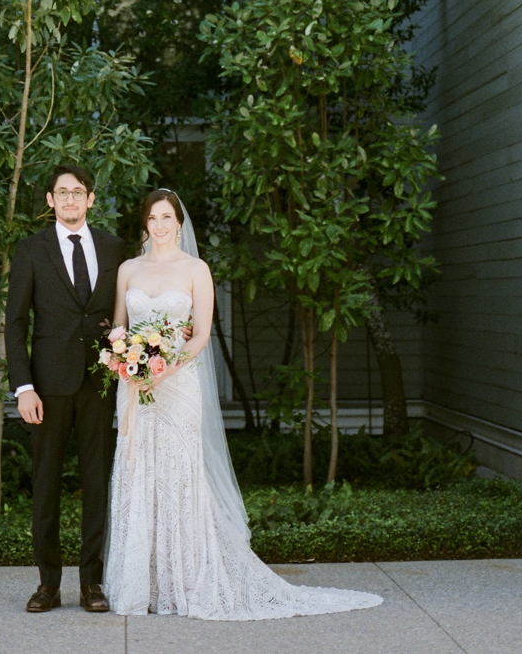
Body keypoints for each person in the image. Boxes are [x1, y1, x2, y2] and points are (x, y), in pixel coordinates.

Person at [103, 188, 384, 620]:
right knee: (138, 471)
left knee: (178, 475)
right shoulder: (127, 269)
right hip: (136, 389)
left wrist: (168, 366)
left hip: (178, 385)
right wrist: (124, 357)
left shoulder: (197, 269)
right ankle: (143, 583)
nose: (159, 225)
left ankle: (186, 582)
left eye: (166, 217)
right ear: (145, 223)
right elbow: (119, 327)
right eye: (152, 218)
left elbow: (200, 335)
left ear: (179, 223)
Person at [4, 164, 124, 614]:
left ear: (91, 199)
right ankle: (47, 585)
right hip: (47, 388)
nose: (70, 200)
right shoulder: (31, 250)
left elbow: (120, 311)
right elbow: (15, 323)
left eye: (78, 192)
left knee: (97, 485)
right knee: (46, 485)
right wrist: (23, 388)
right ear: (50, 201)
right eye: (62, 193)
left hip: (100, 382)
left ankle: (92, 585)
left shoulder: (113, 247)